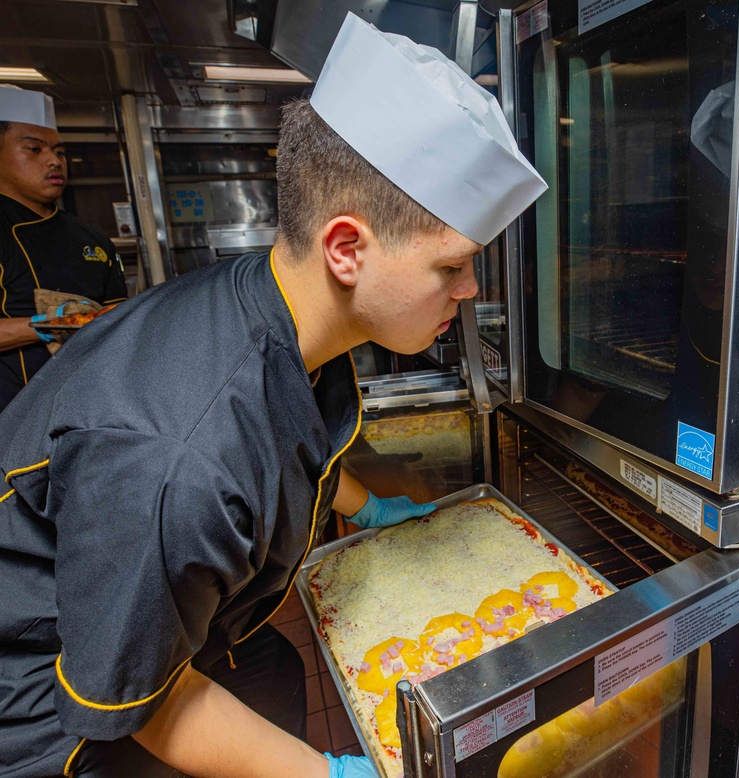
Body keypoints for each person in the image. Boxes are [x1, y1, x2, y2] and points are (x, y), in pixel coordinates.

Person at [0, 13, 545, 778]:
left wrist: (370, 509)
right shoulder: (178, 456)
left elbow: (290, 436)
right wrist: (327, 774)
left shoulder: (274, 307)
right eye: (450, 266)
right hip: (45, 702)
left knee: (274, 673)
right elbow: (145, 704)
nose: (470, 287)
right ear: (347, 249)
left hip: (141, 605)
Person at [0, 85, 128, 413]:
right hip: (12, 416)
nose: (54, 161)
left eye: (59, 151)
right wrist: (49, 324)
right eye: (34, 149)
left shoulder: (93, 239)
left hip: (90, 410)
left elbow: (118, 320)